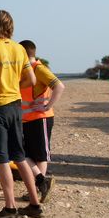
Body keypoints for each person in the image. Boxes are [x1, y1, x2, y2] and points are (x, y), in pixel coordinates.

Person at [0, 10, 43, 218]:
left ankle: (10, 209)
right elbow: (32, 80)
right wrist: (14, 85)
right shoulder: (19, 49)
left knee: (1, 159)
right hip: (16, 106)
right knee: (19, 155)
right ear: (10, 27)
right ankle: (35, 204)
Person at [18, 40, 65, 202]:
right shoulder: (25, 70)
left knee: (40, 156)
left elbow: (59, 86)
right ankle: (41, 184)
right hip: (27, 119)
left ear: (23, 53)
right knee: (25, 153)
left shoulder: (39, 69)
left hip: (40, 119)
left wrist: (48, 105)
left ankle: (39, 190)